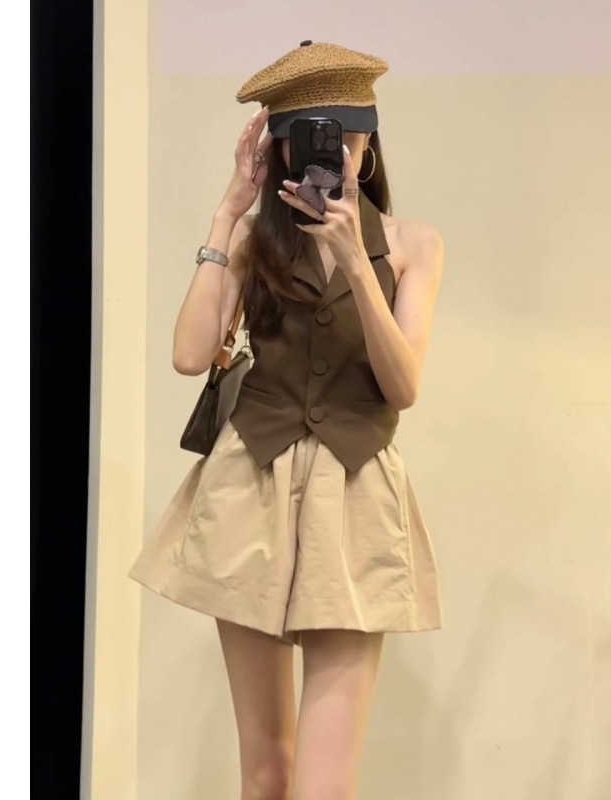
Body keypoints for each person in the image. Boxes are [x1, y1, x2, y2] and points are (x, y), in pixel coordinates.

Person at [128, 41, 445, 800]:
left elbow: (402, 386)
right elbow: (190, 354)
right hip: (250, 486)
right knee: (266, 771)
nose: (330, 156)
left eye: (343, 139)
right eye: (307, 140)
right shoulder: (255, 240)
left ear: (367, 145)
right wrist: (227, 213)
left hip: (354, 496)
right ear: (279, 150)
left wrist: (356, 263)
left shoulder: (413, 245)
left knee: (322, 786)